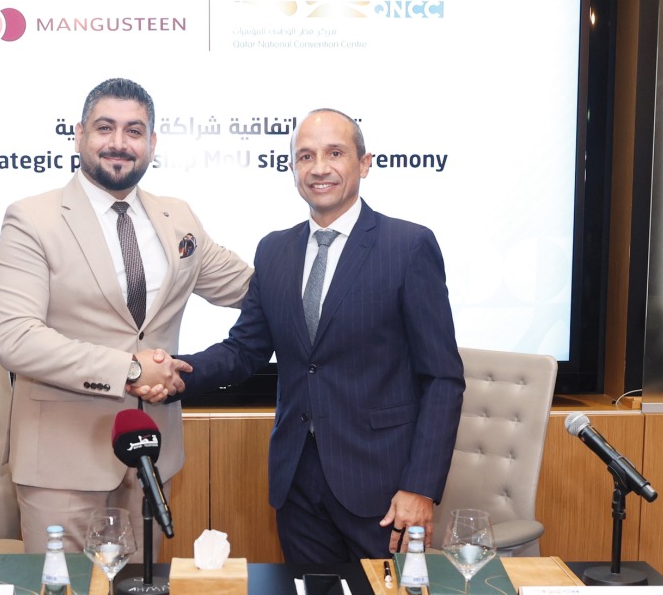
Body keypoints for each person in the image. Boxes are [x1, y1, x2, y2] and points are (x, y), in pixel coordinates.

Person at [174, 108, 464, 562]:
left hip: (384, 490)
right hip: (297, 485)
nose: (319, 168)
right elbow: (245, 350)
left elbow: (442, 378)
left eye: (335, 153)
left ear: (364, 163)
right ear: (293, 169)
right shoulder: (275, 250)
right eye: (305, 156)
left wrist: (420, 487)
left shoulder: (407, 247)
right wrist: (177, 373)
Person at [0, 77, 252, 557]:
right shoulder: (32, 219)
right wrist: (129, 370)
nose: (118, 142)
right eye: (104, 127)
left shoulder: (179, 218)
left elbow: (251, 289)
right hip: (62, 468)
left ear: (152, 143)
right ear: (79, 135)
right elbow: (17, 338)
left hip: (151, 459)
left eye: (134, 131)